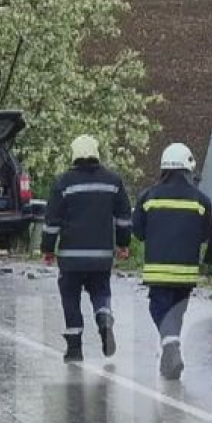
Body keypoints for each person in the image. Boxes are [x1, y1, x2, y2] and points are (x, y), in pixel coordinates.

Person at [41, 135, 131, 363]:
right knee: (101, 292)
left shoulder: (63, 183)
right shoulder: (113, 181)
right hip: (101, 257)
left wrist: (47, 249)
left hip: (70, 258)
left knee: (70, 297)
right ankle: (104, 319)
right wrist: (123, 244)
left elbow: (52, 222)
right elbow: (123, 217)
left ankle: (74, 349)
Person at [132, 142, 212, 381]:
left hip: (158, 271)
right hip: (186, 273)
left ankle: (171, 349)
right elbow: (206, 235)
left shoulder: (147, 197)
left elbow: (139, 232)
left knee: (158, 308)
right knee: (176, 313)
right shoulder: (201, 201)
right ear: (187, 169)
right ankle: (170, 359)